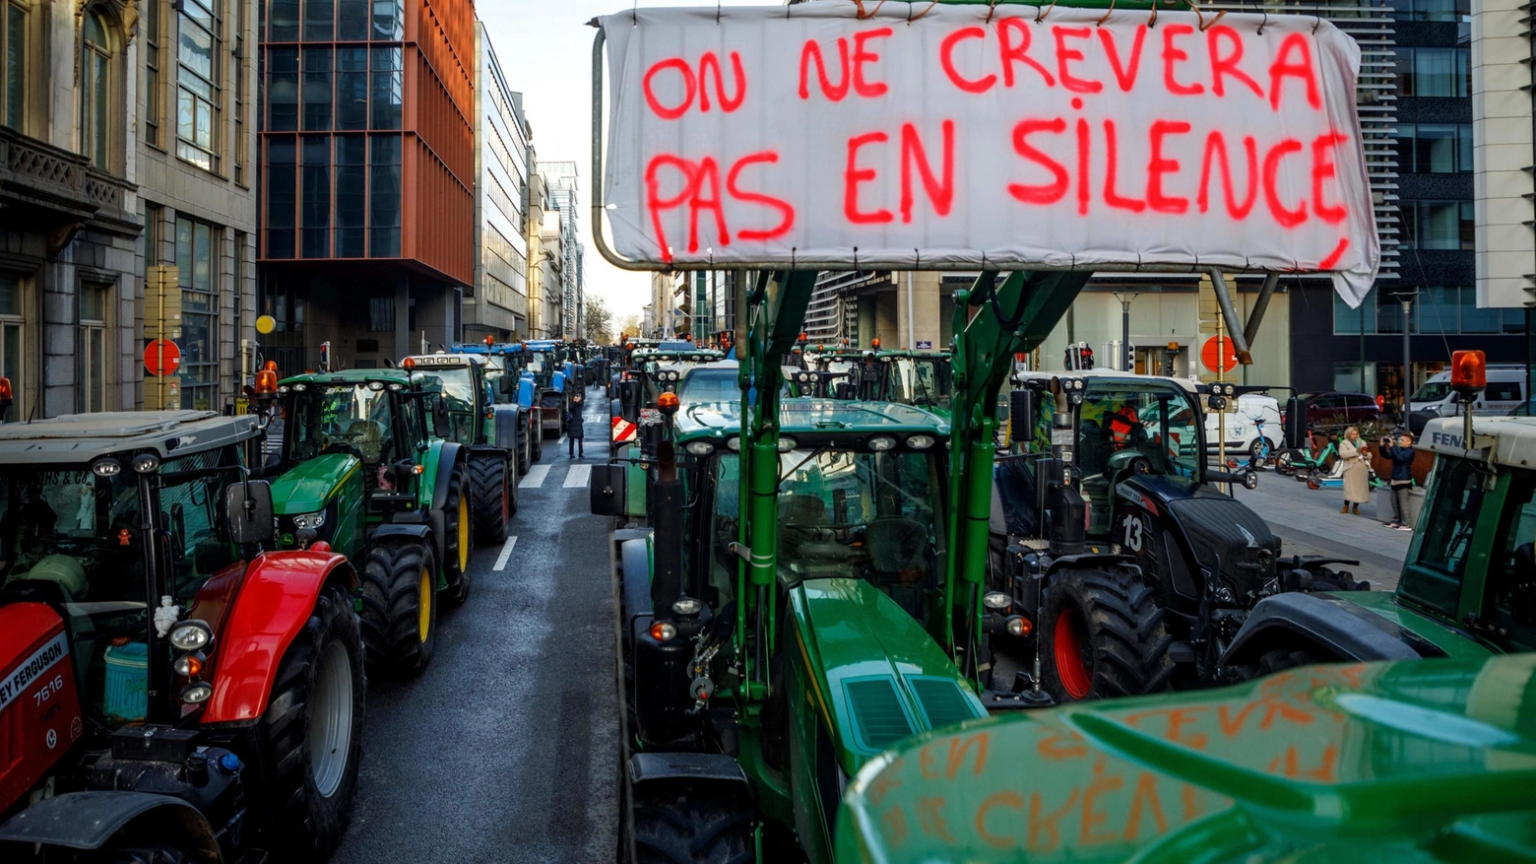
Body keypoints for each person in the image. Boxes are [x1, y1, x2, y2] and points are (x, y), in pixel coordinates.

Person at [1380, 431, 1416, 531]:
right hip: (1395, 479)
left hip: (1403, 480)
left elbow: (1400, 458)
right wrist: (1382, 446)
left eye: (1402, 440)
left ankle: (1406, 524)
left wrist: (1392, 446)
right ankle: (1396, 521)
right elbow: (1387, 456)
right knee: (1394, 502)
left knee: (1403, 503)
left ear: (1409, 442)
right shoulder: (1399, 449)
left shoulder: (1410, 452)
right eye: (1400, 439)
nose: (1400, 441)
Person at [1338, 426, 1371, 515]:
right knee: (1349, 488)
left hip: (1361, 468)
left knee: (1359, 488)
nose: (1355, 436)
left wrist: (1366, 454)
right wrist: (1356, 451)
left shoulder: (1362, 442)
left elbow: (1369, 455)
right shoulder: (1344, 443)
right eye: (1353, 434)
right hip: (1350, 468)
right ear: (1349, 434)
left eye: (1356, 434)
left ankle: (1356, 506)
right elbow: (1343, 454)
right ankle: (1346, 505)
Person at [567, 393, 586, 458]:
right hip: (573, 424)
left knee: (580, 439)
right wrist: (575, 402)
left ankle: (580, 453)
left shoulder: (580, 405)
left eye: (579, 397)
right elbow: (571, 408)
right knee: (572, 439)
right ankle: (571, 453)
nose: (578, 398)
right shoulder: (572, 404)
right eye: (577, 397)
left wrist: (581, 419)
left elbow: (579, 414)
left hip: (578, 424)